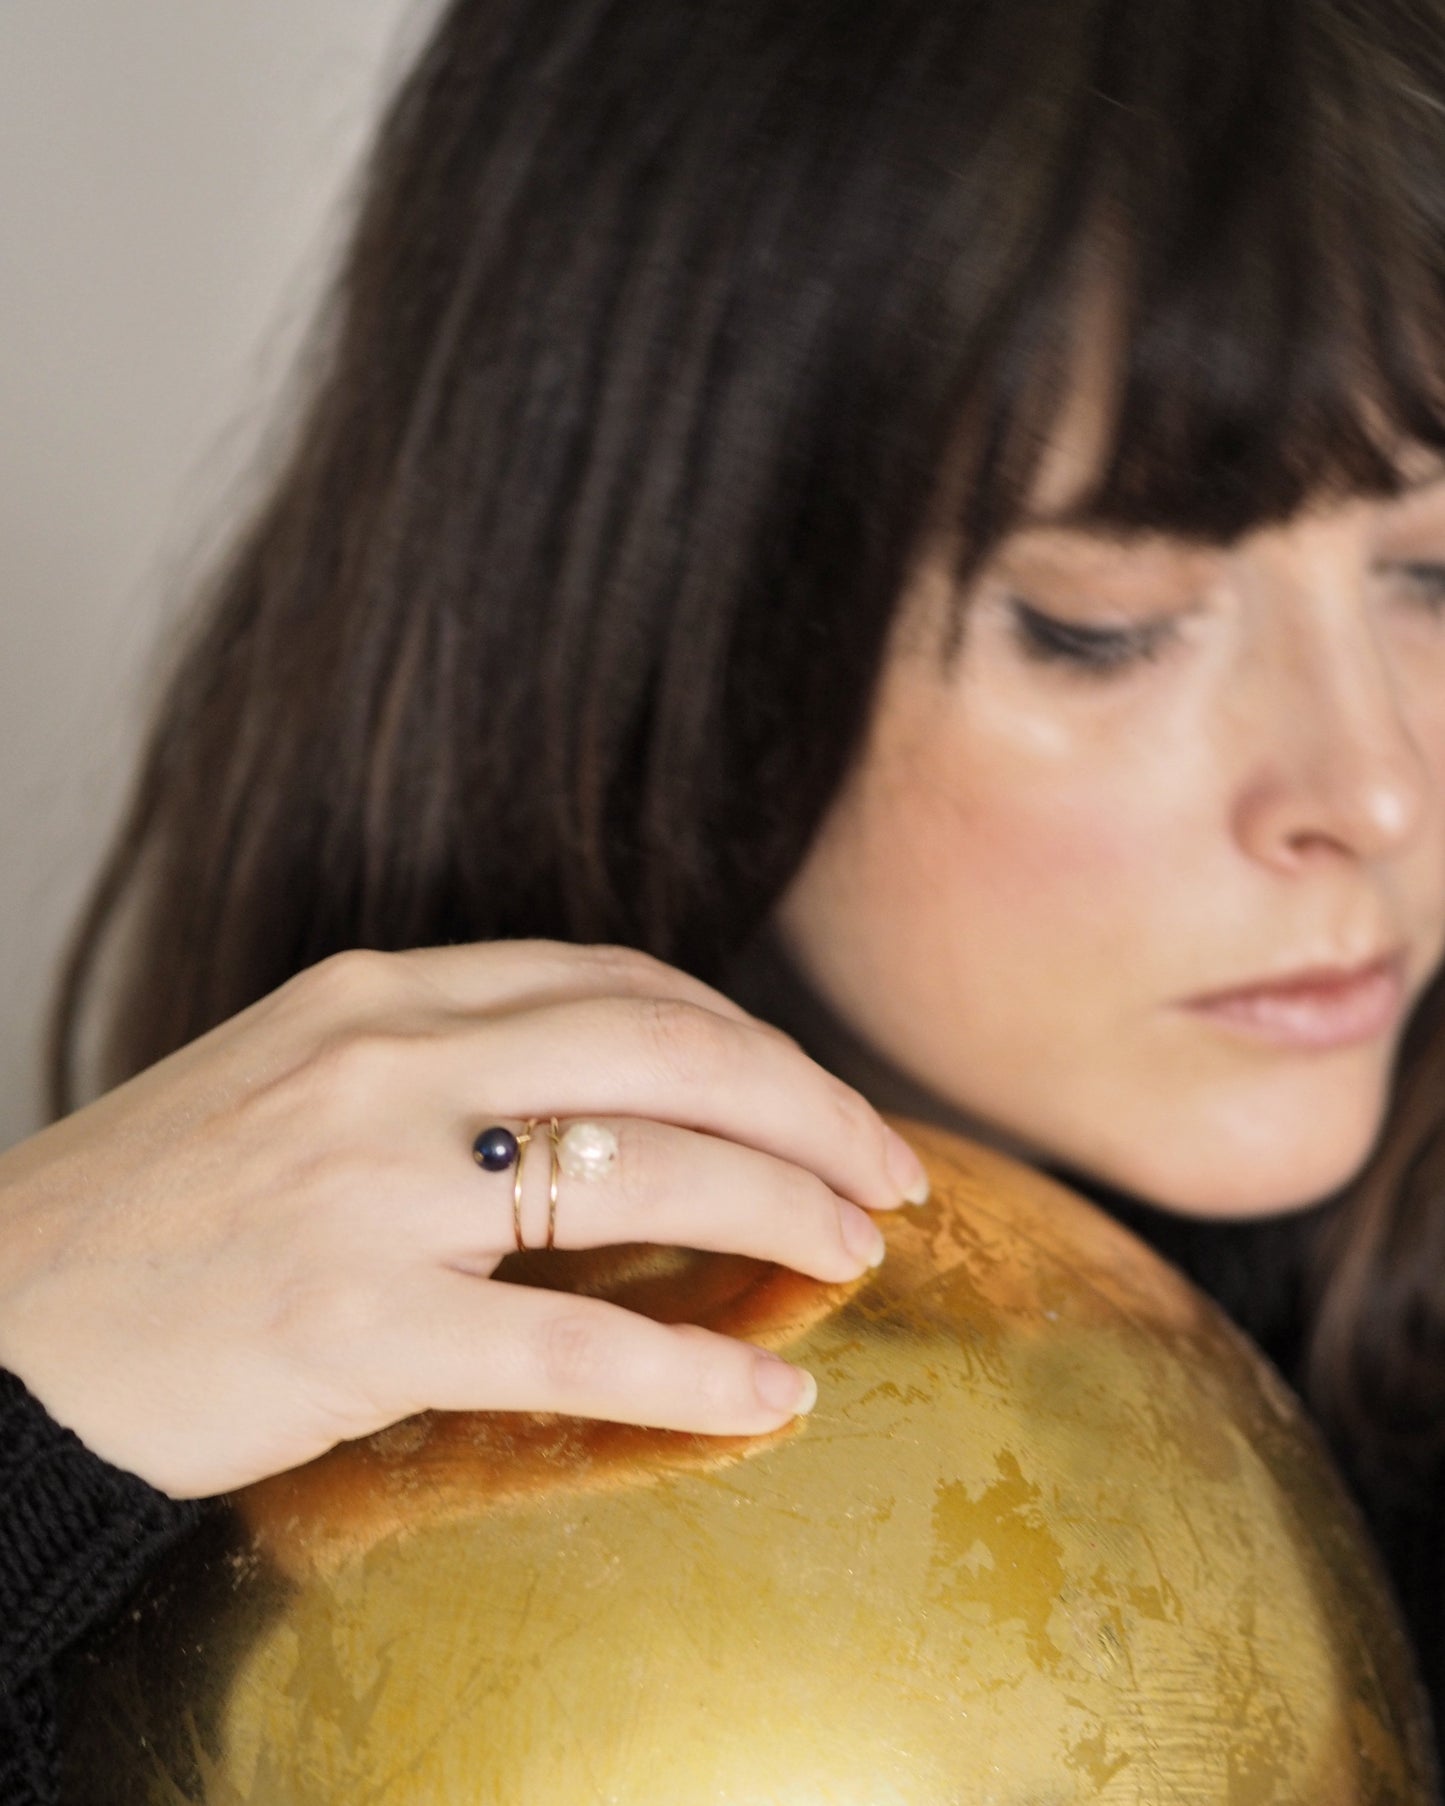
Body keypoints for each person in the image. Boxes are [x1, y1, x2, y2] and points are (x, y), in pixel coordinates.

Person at [4, 0, 1445, 1796]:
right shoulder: (230, 1534)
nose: (1374, 784)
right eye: (1103, 622)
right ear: (659, 635)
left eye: (1433, 572)